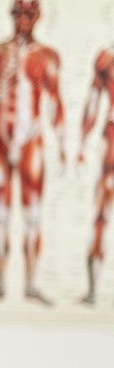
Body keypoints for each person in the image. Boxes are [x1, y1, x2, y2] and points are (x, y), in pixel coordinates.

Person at [0, 0, 66, 304]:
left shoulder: (47, 56)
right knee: (0, 215)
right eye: (18, 13)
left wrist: (60, 147)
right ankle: (0, 283)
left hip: (31, 140)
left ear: (37, 16)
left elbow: (56, 102)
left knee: (33, 216)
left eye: (28, 13)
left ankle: (31, 283)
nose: (22, 19)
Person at [76, 43, 114, 305]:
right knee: (101, 210)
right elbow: (92, 102)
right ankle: (93, 289)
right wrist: (81, 143)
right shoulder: (107, 57)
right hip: (111, 140)